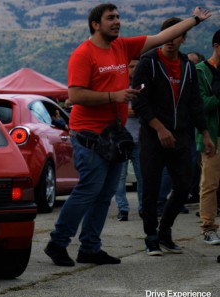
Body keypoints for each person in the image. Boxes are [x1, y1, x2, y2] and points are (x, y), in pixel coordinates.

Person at [44, 3, 211, 267]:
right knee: (88, 190)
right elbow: (74, 96)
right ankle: (57, 242)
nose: (117, 21)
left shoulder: (122, 47)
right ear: (95, 24)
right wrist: (114, 96)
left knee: (105, 193)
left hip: (115, 135)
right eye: (111, 18)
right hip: (89, 135)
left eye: (119, 17)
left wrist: (195, 20)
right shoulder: (83, 54)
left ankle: (90, 247)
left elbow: (162, 37)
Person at [132, 17, 215, 256]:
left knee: (183, 186)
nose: (170, 39)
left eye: (175, 35)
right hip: (153, 136)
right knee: (150, 188)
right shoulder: (148, 62)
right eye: (166, 35)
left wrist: (206, 134)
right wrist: (159, 128)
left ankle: (165, 231)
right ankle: (150, 237)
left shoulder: (188, 65)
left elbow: (195, 103)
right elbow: (140, 100)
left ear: (183, 37)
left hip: (182, 135)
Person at [195, 29, 220, 245]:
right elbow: (201, 105)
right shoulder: (200, 71)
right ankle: (208, 227)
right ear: (216, 47)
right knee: (210, 183)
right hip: (211, 134)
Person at [115, 59, 142, 221]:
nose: (133, 70)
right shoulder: (118, 87)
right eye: (130, 67)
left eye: (136, 67)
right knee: (120, 177)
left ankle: (143, 208)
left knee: (142, 176)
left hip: (140, 138)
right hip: (122, 139)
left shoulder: (144, 87)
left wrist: (137, 110)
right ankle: (122, 209)